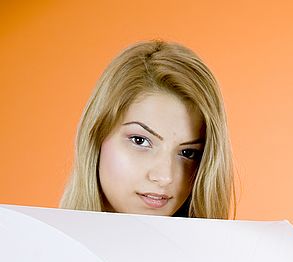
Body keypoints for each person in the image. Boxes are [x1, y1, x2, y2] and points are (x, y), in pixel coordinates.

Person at [60, 40, 235, 218]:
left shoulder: (229, 246)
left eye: (188, 153)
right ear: (97, 135)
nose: (165, 176)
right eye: (140, 141)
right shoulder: (39, 243)